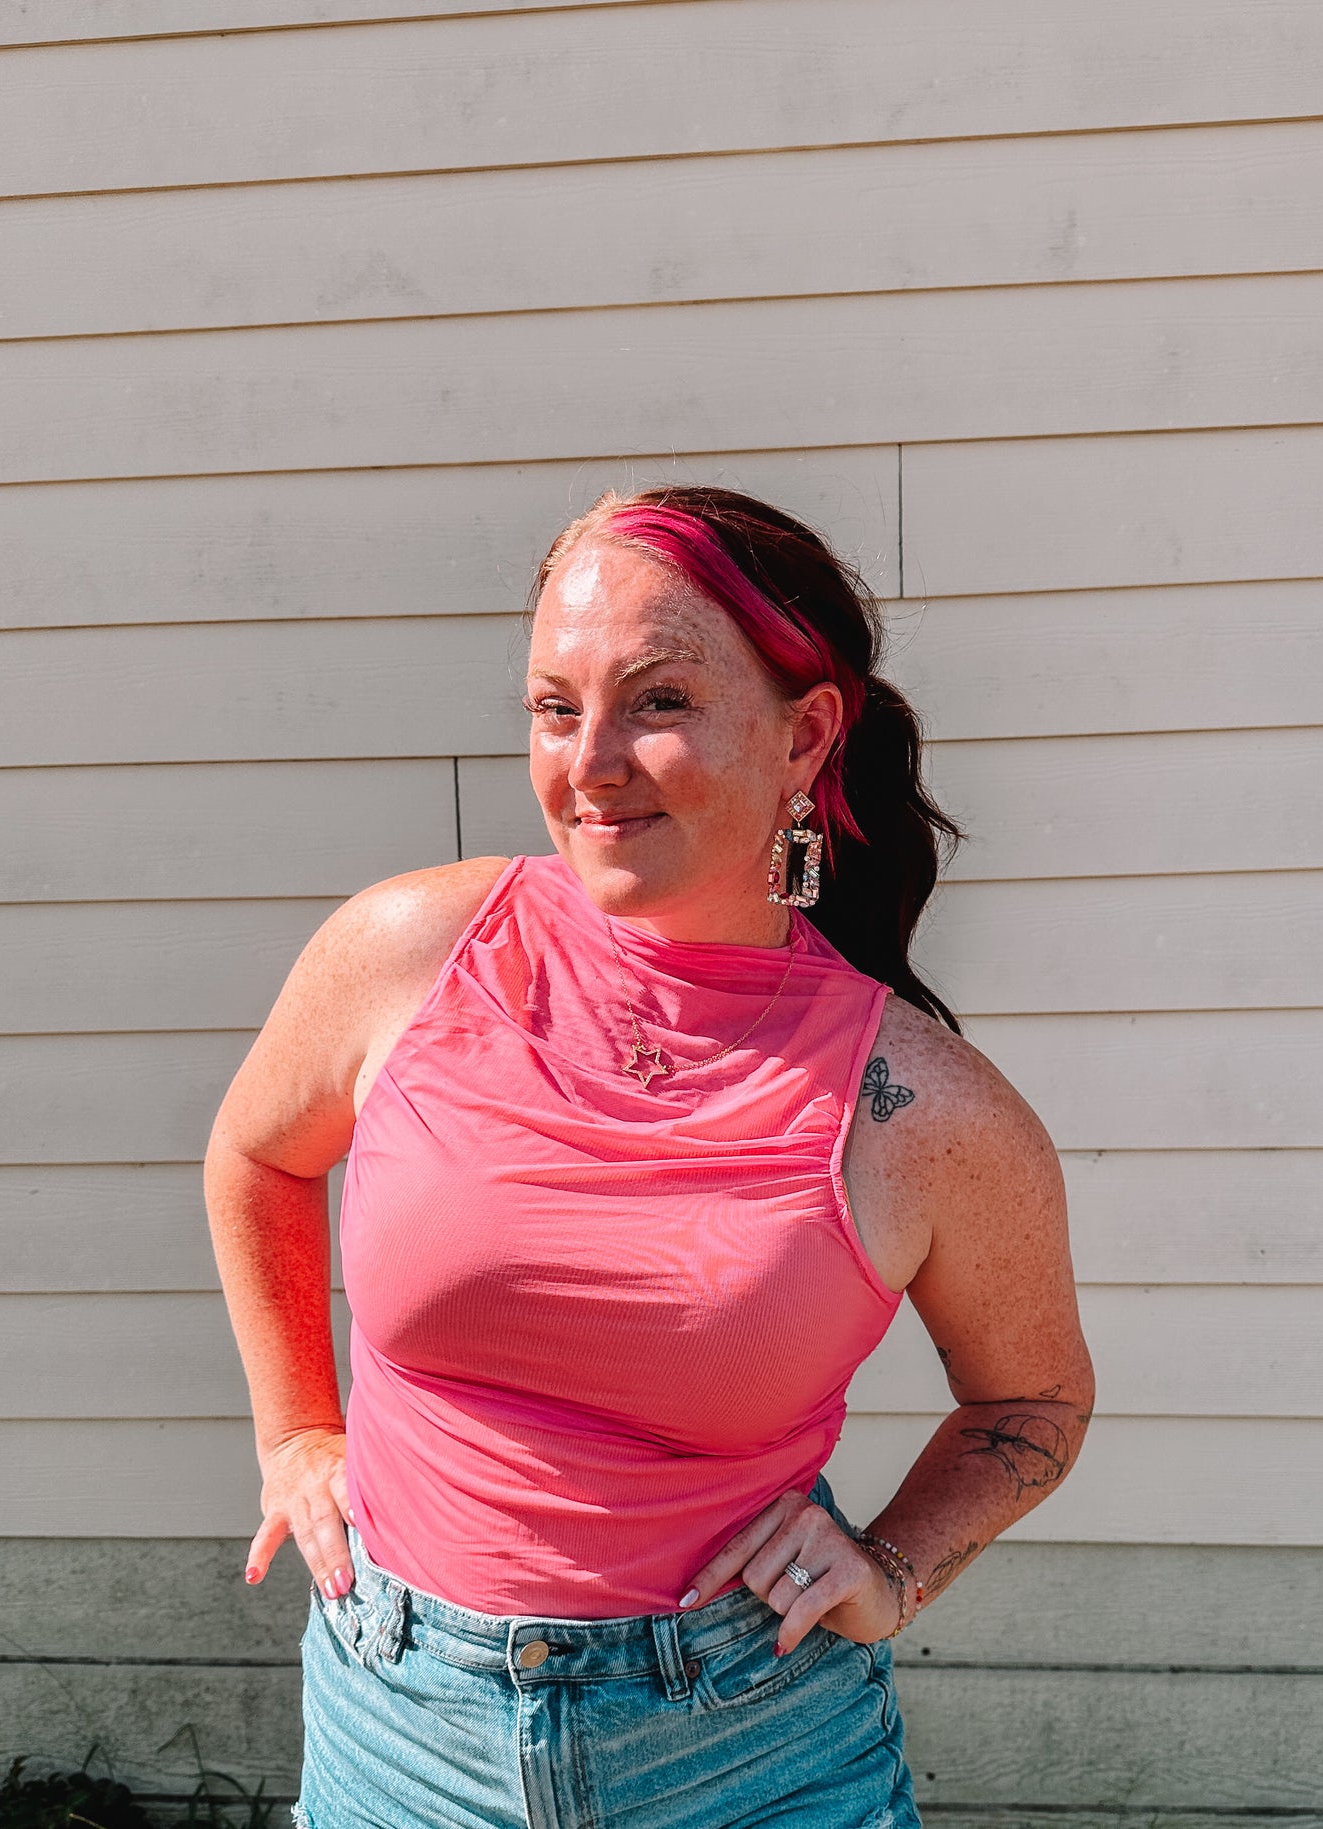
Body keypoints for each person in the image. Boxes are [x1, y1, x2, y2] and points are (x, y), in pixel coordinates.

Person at [204, 486, 1094, 1829]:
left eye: (657, 701)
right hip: (402, 1731)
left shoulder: (919, 1110)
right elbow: (258, 1156)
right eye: (554, 709)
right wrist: (295, 1432)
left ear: (805, 734)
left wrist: (891, 1568)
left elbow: (1030, 1400)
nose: (591, 763)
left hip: (744, 1751)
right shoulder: (407, 953)